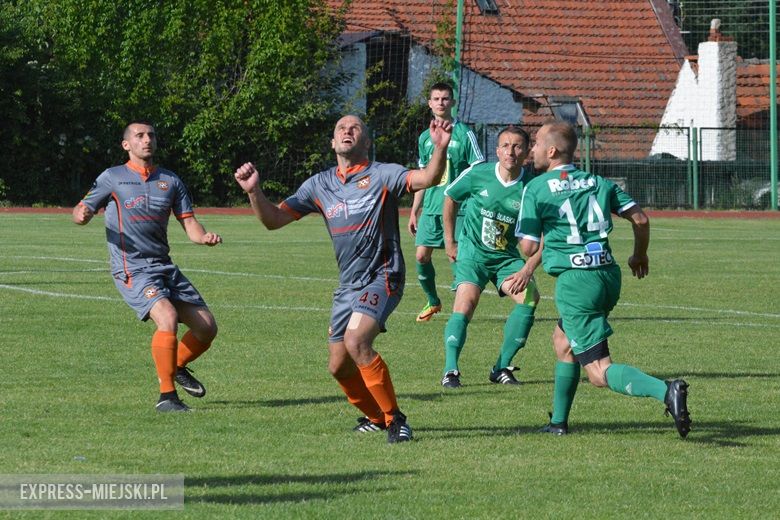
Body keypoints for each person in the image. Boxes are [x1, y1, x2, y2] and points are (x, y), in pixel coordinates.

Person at [234, 115, 453, 443]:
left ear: (367, 142)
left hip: (383, 274)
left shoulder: (383, 174)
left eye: (355, 128)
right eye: (341, 128)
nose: (347, 131)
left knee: (357, 341)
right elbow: (274, 220)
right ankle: (376, 417)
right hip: (348, 285)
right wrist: (254, 191)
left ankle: (396, 420)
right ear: (333, 143)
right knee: (338, 367)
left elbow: (429, 177)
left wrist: (440, 148)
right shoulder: (318, 185)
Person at [516, 121, 691, 438]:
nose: (532, 149)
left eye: (537, 143)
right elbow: (640, 219)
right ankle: (558, 422)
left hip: (576, 282)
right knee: (563, 341)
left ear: (552, 151)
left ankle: (666, 390)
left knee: (598, 372)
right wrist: (639, 255)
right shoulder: (598, 182)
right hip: (607, 275)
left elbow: (528, 247)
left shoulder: (536, 188)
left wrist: (533, 230)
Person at [72, 120, 222, 413]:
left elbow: (189, 223)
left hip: (164, 266)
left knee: (207, 328)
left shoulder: (171, 180)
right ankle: (167, 397)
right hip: (132, 267)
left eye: (151, 135)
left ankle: (176, 365)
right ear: (126, 145)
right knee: (166, 316)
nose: (147, 140)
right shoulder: (112, 177)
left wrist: (203, 237)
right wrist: (82, 214)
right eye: (139, 136)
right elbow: (82, 209)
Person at [439, 126, 541, 388]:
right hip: (472, 253)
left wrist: (528, 267)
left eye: (517, 146)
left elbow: (545, 233)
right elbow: (450, 197)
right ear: (497, 151)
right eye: (505, 145)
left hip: (505, 257)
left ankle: (501, 367)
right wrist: (450, 241)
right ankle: (450, 370)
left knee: (529, 297)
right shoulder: (478, 173)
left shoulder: (532, 187)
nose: (511, 151)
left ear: (527, 152)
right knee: (466, 304)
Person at [408, 81, 484, 322]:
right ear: (429, 104)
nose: (441, 102)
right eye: (436, 99)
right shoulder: (425, 138)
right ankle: (433, 301)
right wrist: (414, 210)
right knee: (421, 256)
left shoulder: (465, 133)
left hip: (458, 209)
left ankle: (461, 310)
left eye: (445, 98)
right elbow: (422, 177)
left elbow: (478, 168)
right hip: (431, 208)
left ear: (453, 102)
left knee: (456, 256)